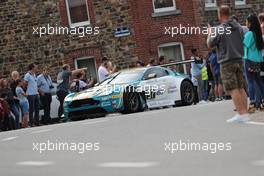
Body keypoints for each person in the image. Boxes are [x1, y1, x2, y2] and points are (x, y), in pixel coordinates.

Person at [207, 5, 249, 123]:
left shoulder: (221, 29)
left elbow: (210, 44)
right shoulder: (239, 27)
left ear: (220, 15)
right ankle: (244, 112)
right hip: (240, 59)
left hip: (227, 61)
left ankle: (240, 113)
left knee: (232, 88)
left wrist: (210, 33)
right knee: (241, 87)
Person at [243, 14, 264, 112]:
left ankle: (252, 104)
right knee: (259, 81)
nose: (245, 23)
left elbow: (243, 45)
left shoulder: (249, 34)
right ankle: (262, 102)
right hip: (258, 60)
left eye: (247, 21)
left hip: (249, 60)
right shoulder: (258, 33)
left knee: (250, 82)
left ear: (250, 23)